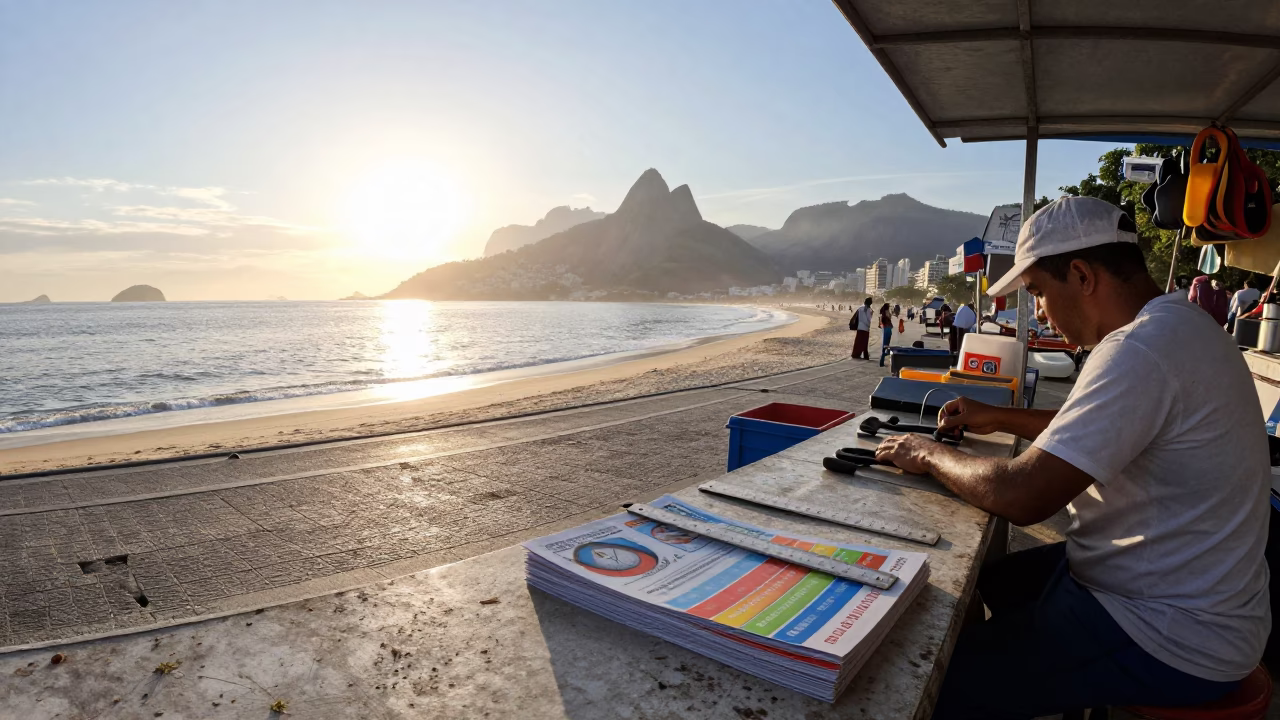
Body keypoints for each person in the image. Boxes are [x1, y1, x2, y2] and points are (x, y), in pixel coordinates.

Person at [874, 197, 1270, 719]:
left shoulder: (1139, 348)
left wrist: (925, 453)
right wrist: (997, 417)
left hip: (1171, 634)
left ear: (1082, 275)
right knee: (996, 581)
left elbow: (1021, 495)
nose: (1038, 311)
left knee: (928, 680)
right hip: (1205, 602)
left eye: (1038, 292)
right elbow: (1110, 430)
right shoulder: (1182, 326)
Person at [877, 302, 894, 366]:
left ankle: (882, 360)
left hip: (885, 328)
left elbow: (880, 323)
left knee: (885, 344)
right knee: (886, 344)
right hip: (888, 328)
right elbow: (889, 319)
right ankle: (883, 359)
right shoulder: (887, 313)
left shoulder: (883, 313)